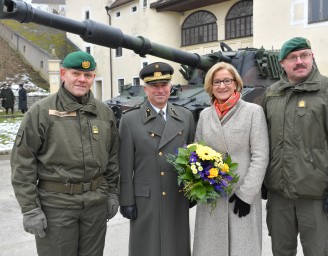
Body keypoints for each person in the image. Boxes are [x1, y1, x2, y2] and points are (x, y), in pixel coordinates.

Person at [11, 51, 120, 256]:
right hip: (57, 206)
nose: (82, 79)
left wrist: (113, 193)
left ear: (93, 78)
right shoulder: (40, 112)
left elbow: (113, 158)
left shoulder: (103, 112)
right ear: (63, 73)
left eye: (87, 75)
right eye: (76, 73)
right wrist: (30, 209)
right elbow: (22, 164)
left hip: (95, 206)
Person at [262, 37, 328, 256]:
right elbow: (262, 141)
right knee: (281, 251)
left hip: (318, 196)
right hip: (279, 195)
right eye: (292, 57)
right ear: (282, 64)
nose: (299, 61)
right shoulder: (272, 94)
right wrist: (262, 179)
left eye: (304, 55)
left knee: (318, 251)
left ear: (312, 57)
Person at [118, 62, 196, 256]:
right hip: (145, 197)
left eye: (164, 85)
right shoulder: (130, 120)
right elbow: (125, 165)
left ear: (171, 87)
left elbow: (193, 157)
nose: (160, 90)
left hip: (176, 194)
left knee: (176, 245)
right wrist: (126, 200)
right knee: (147, 247)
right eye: (154, 86)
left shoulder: (185, 116)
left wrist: (193, 190)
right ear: (145, 89)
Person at [192, 62, 269, 256]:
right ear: (210, 85)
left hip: (241, 195)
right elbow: (196, 154)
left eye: (227, 80)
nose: (222, 86)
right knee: (211, 249)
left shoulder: (253, 112)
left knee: (243, 248)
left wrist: (247, 194)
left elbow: (260, 156)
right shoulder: (204, 115)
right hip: (212, 196)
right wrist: (199, 186)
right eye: (216, 81)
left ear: (236, 83)